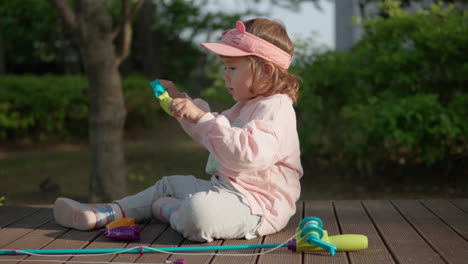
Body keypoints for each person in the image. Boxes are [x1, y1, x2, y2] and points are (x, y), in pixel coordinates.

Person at [54, 18, 303, 242]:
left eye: (232, 68)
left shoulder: (277, 108)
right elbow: (213, 133)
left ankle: (170, 211)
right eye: (225, 67)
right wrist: (182, 104)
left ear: (267, 72)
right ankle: (103, 213)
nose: (225, 76)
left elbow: (247, 155)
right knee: (168, 185)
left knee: (198, 212)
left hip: (258, 207)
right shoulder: (244, 106)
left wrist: (202, 117)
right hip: (226, 191)